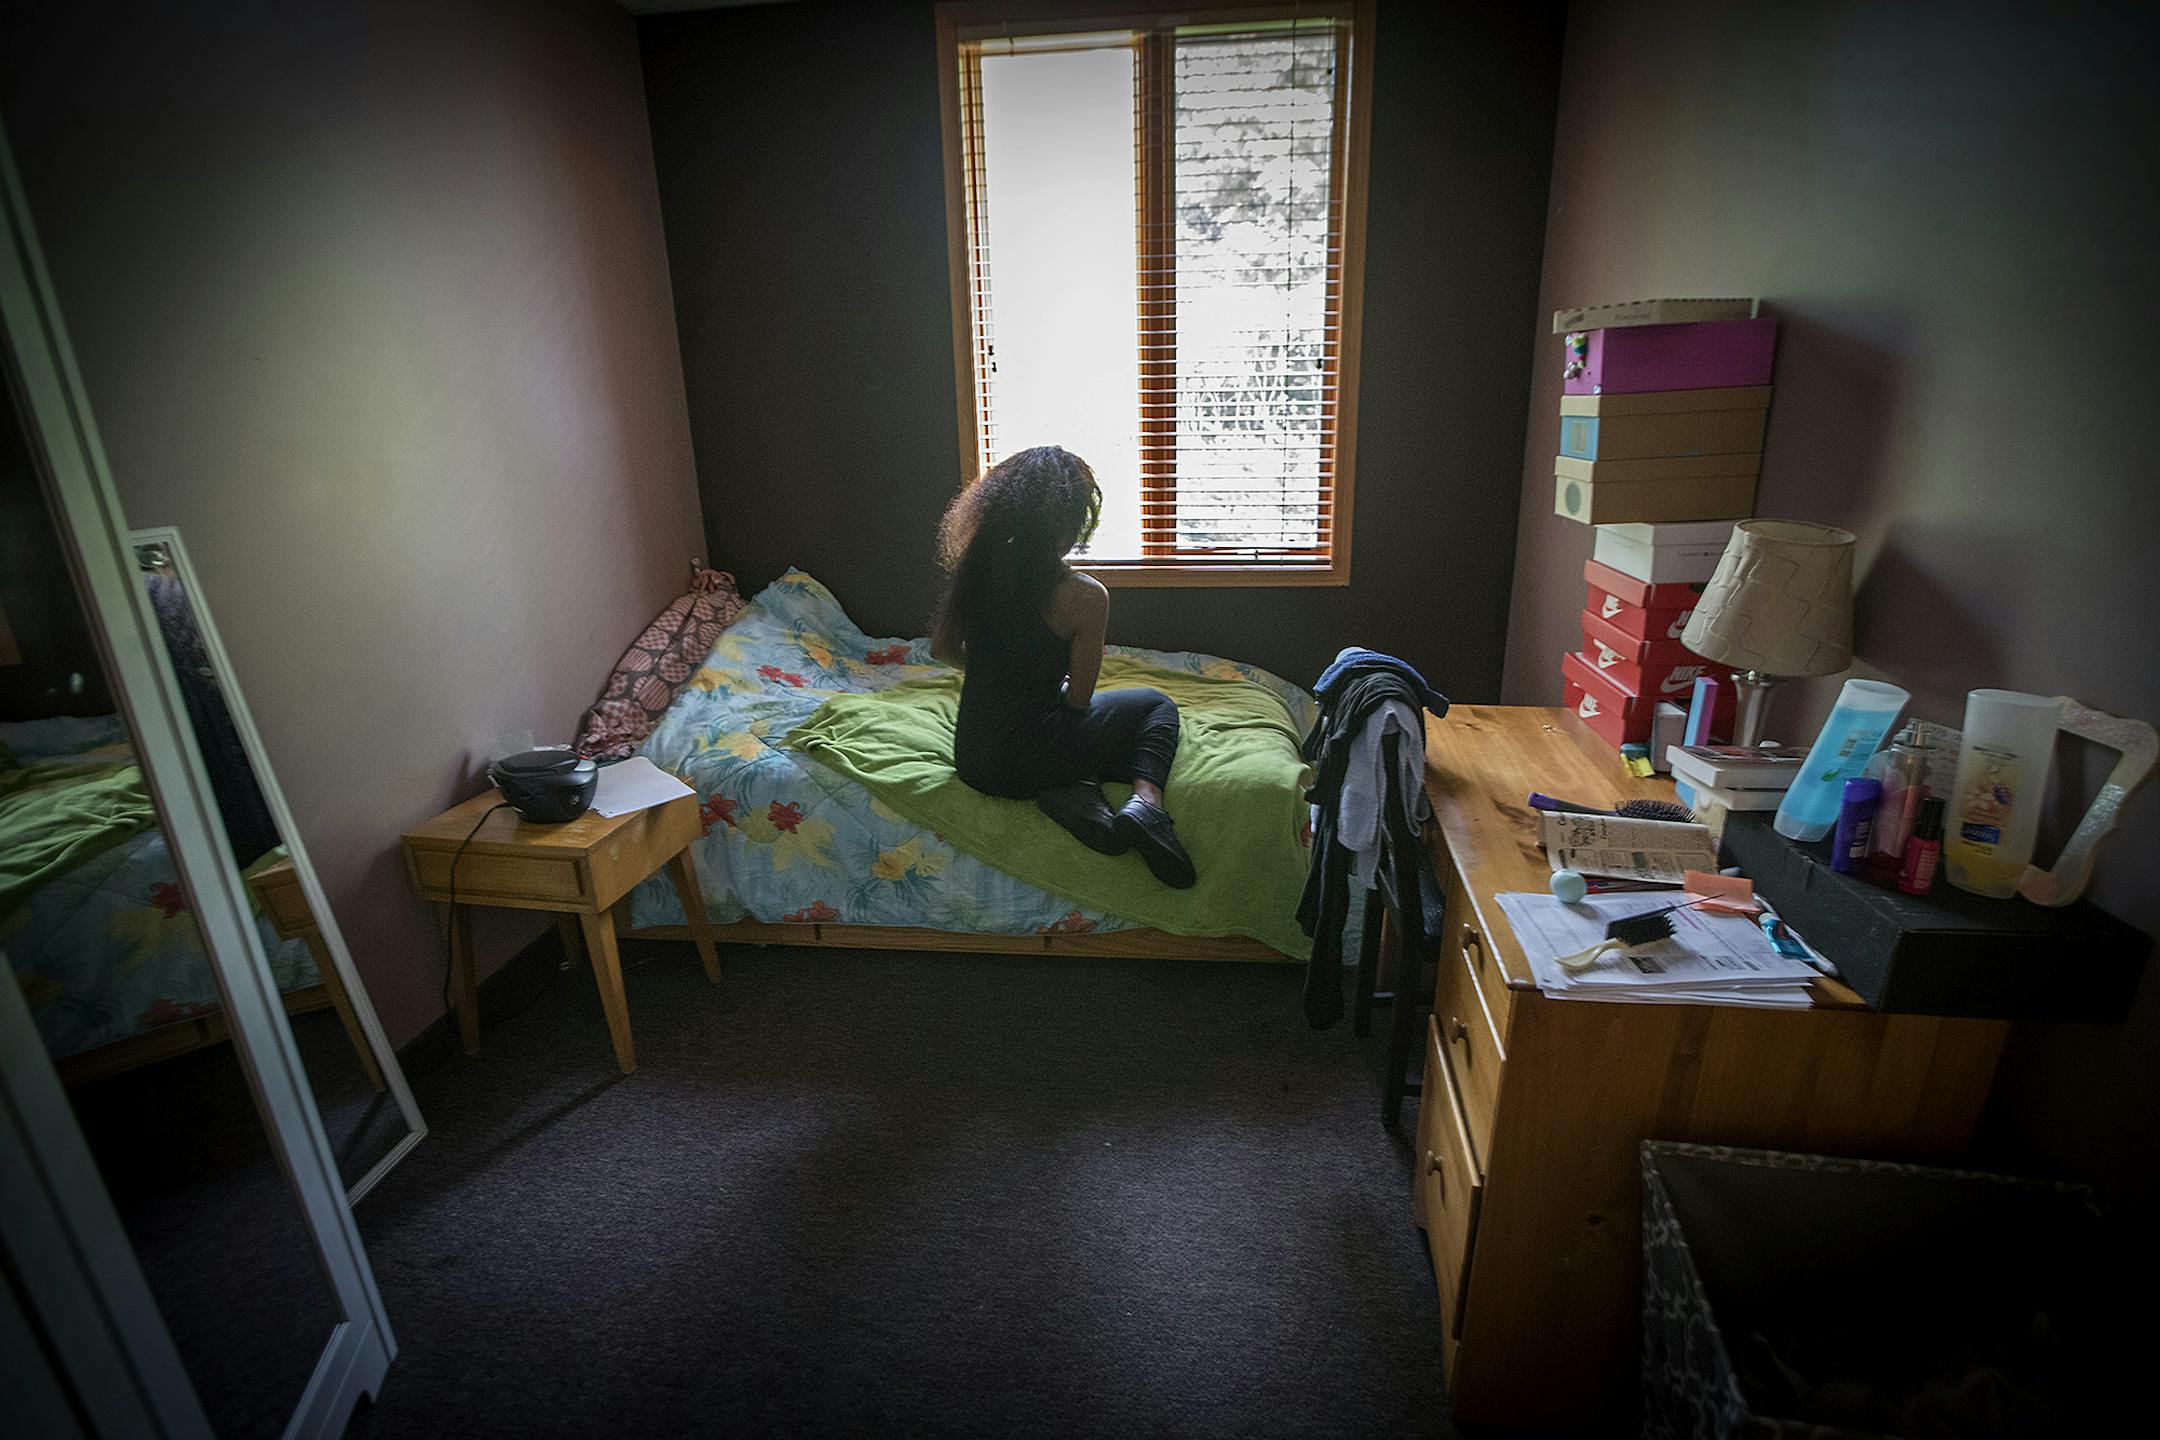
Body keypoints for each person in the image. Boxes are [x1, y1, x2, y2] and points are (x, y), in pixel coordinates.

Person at [931, 446, 1195, 888]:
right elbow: (1078, 699)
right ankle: (1147, 804)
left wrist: (995, 675)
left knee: (1090, 736)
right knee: (1154, 707)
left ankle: (1078, 790)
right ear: (1070, 523)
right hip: (1035, 759)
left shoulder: (977, 572)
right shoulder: (1085, 595)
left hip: (975, 762)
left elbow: (943, 649)